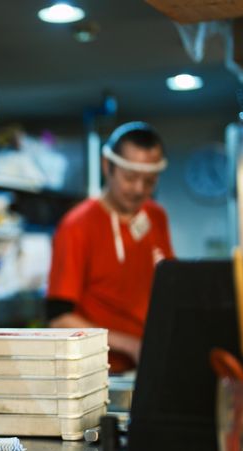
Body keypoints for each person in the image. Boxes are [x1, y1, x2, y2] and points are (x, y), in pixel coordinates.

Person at [46, 122, 174, 374]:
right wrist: (131, 345)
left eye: (149, 181)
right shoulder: (77, 225)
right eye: (130, 178)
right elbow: (59, 319)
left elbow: (170, 287)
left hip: (147, 366)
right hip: (97, 371)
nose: (139, 189)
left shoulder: (156, 216)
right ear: (107, 166)